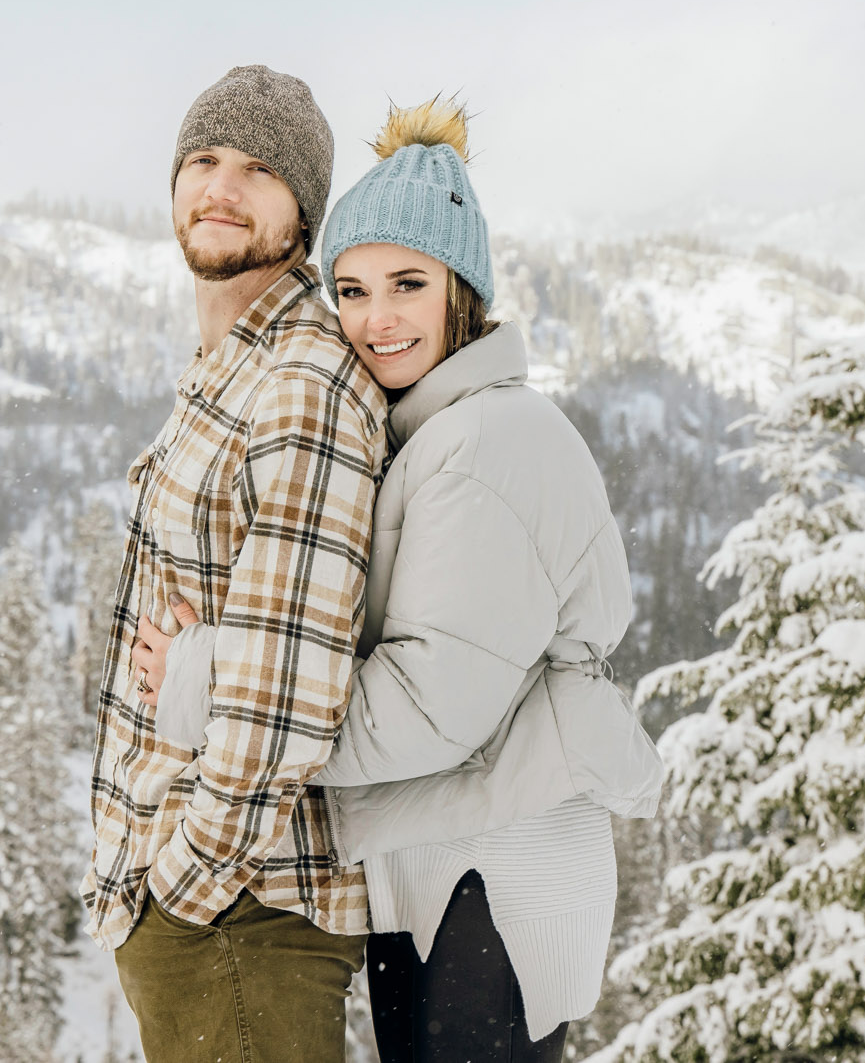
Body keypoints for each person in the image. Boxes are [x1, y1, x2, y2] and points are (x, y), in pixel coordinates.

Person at [136, 98, 665, 1061]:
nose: (375, 320)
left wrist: (212, 681)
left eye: (407, 284)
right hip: (448, 867)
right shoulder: (435, 433)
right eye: (350, 289)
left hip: (493, 877)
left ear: (462, 288)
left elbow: (429, 710)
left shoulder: (483, 444)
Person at [82, 65, 389, 1063]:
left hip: (242, 913)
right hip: (205, 916)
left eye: (259, 169)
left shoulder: (301, 380)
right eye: (203, 159)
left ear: (301, 209)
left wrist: (184, 879)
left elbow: (287, 688)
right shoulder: (232, 362)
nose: (219, 185)